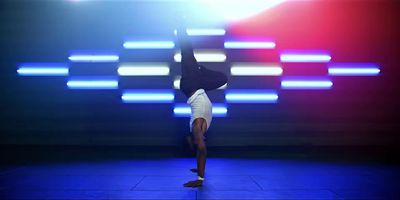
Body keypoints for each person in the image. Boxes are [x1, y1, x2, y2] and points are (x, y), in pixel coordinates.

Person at [177, 19, 228, 188]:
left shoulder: (200, 126)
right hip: (193, 86)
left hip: (198, 89)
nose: (199, 141)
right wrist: (200, 179)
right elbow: (201, 149)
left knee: (222, 78)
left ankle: (180, 26)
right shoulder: (196, 127)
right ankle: (179, 23)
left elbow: (200, 148)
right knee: (187, 52)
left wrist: (200, 173)